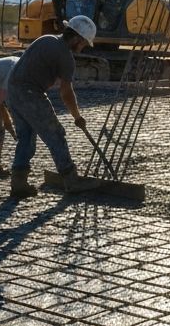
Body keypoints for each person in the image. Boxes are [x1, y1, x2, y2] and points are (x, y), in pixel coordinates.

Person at [6, 16, 101, 198]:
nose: (82, 48)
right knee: (55, 134)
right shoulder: (65, 57)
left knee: (25, 138)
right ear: (76, 39)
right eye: (83, 44)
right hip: (30, 94)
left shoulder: (46, 39)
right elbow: (66, 92)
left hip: (12, 90)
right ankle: (71, 180)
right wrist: (77, 117)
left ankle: (18, 183)